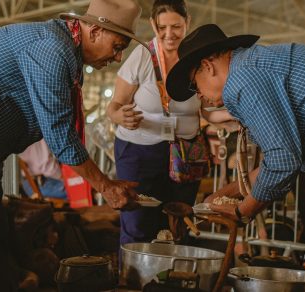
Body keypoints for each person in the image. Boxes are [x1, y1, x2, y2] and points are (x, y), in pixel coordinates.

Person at [165, 24, 305, 292]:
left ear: (208, 66)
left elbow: (282, 161)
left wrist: (243, 211)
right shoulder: (252, 66)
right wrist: (222, 195)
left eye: (193, 84)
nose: (198, 95)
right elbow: (276, 161)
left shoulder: (242, 80)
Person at [0, 0, 145, 290]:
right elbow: (60, 133)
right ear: (95, 31)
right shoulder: (52, 49)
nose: (118, 57)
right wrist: (106, 186)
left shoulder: (67, 55)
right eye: (118, 46)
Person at [106, 0, 201, 248]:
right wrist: (119, 116)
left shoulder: (196, 58)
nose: (169, 34)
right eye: (162, 27)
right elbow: (113, 106)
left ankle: (173, 281)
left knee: (179, 221)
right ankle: (133, 282)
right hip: (139, 152)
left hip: (184, 152)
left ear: (187, 22)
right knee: (138, 222)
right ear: (152, 25)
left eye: (176, 26)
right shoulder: (142, 56)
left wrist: (230, 119)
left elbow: (209, 107)